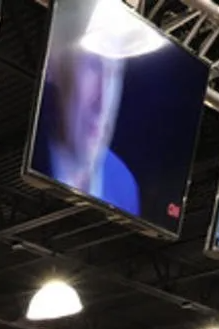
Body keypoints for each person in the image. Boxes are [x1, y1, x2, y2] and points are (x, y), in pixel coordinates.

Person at [31, 6, 141, 215]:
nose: (103, 102)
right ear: (54, 62)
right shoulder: (30, 148)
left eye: (114, 72)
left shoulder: (125, 184)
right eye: (93, 65)